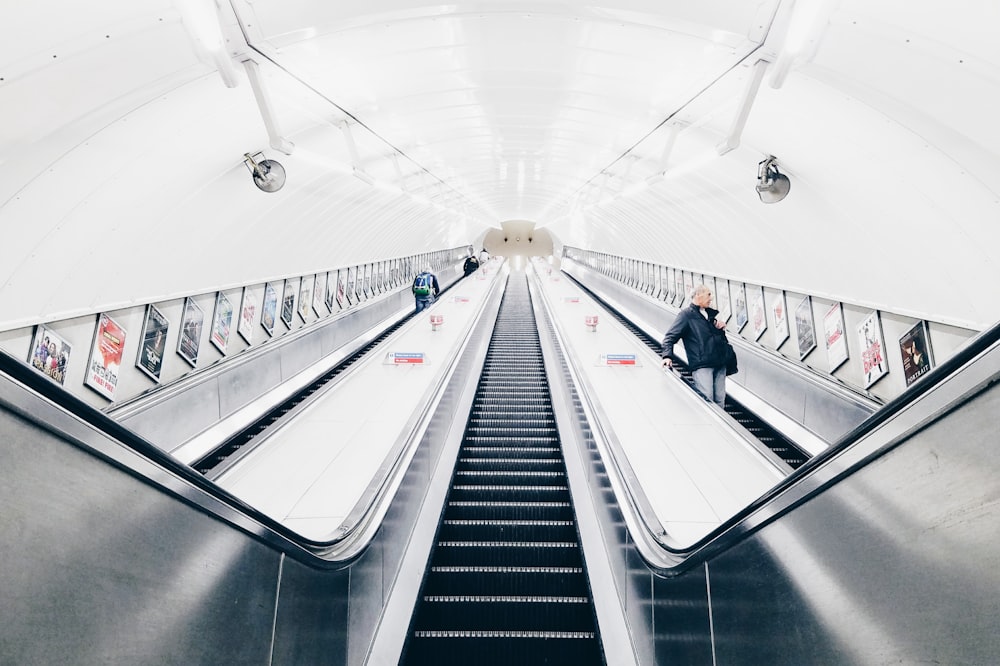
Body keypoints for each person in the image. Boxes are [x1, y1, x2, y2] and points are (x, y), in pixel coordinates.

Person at [660, 284, 729, 408]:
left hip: (720, 363)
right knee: (706, 399)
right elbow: (670, 337)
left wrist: (720, 328)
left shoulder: (710, 315)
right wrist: (667, 356)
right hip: (702, 365)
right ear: (698, 295)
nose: (711, 298)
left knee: (720, 401)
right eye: (708, 294)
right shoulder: (686, 315)